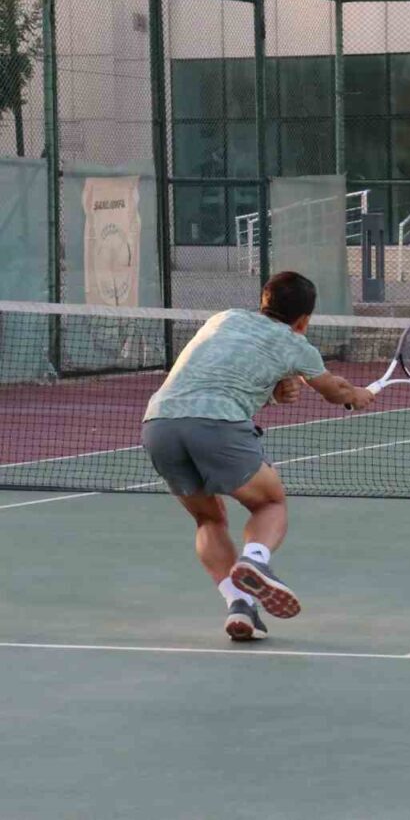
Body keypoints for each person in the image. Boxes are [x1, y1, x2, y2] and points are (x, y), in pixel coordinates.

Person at [140, 272, 375, 641]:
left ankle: (240, 606)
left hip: (159, 424)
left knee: (208, 519)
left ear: (264, 302)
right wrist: (355, 395)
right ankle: (255, 560)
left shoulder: (225, 318)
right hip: (217, 426)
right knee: (270, 504)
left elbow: (220, 367)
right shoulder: (296, 344)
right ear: (304, 320)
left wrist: (274, 391)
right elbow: (335, 390)